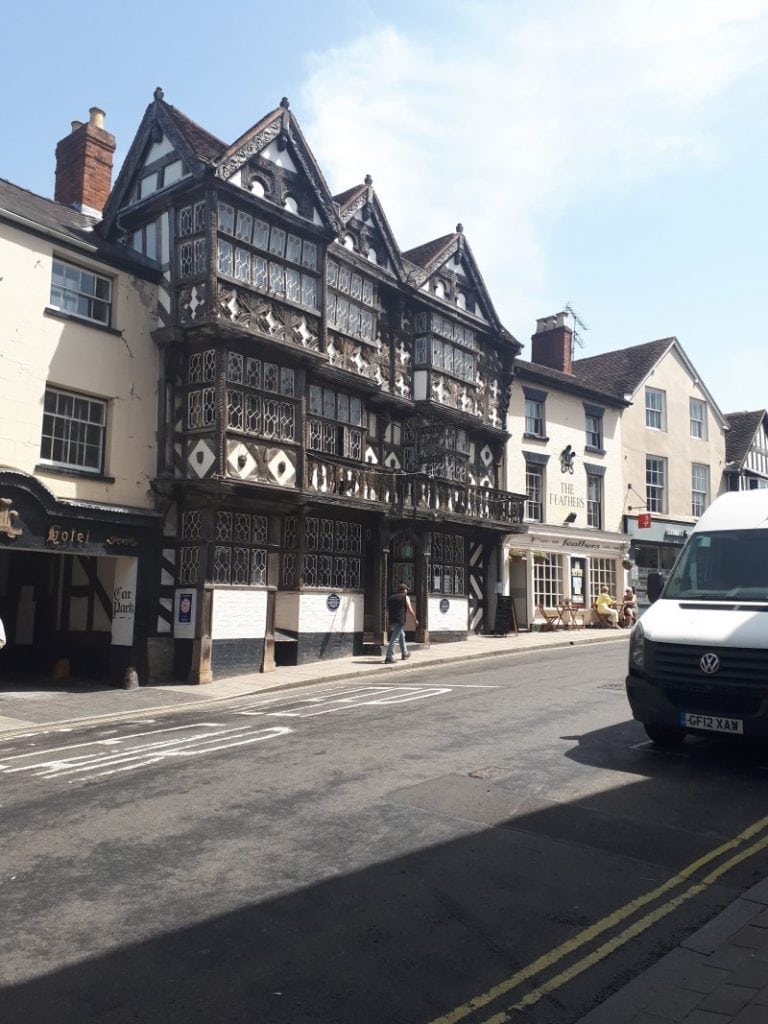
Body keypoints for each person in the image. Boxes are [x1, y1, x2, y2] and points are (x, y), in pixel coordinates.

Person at [384, 582, 418, 663]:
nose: (407, 591)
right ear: (404, 590)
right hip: (400, 621)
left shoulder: (391, 597)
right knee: (394, 639)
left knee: (401, 635)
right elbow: (410, 609)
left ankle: (405, 653)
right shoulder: (405, 597)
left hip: (392, 620)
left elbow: (387, 610)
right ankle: (389, 657)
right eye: (406, 589)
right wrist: (415, 619)